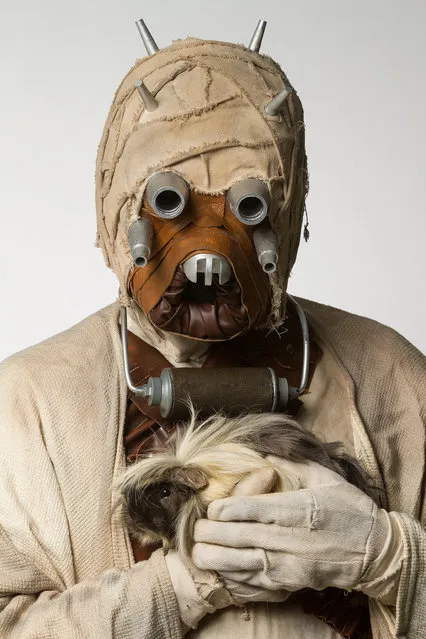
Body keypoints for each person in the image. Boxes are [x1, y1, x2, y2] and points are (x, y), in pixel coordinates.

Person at [0, 22, 424, 639]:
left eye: (246, 205)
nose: (210, 237)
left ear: (287, 209)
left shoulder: (391, 381)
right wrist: (177, 589)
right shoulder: (31, 406)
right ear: (117, 208)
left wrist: (389, 559)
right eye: (170, 201)